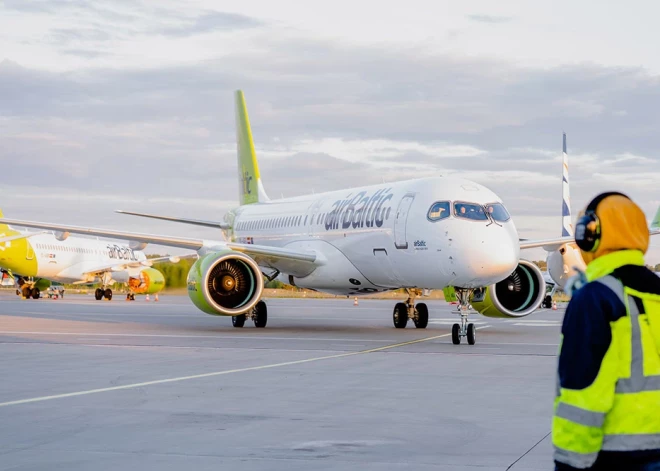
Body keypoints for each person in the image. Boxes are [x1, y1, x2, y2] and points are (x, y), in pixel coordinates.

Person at [553, 192, 660, 470]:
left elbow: (582, 396)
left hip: (617, 456)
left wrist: (570, 463)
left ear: (590, 235)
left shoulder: (595, 300)